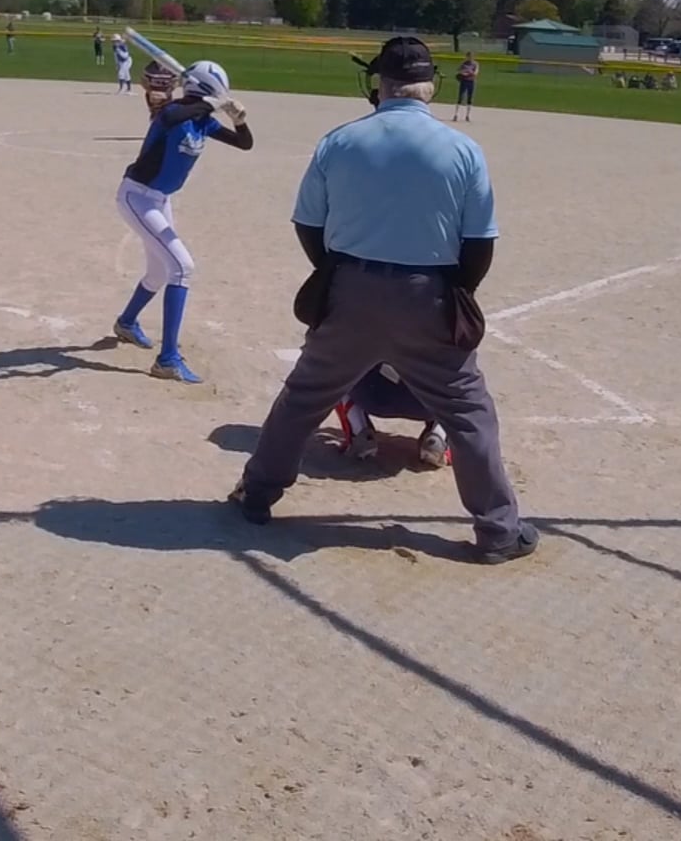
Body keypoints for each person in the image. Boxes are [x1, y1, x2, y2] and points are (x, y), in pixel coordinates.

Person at [228, 36, 536, 564]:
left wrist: (334, 272)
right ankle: (498, 532)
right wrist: (455, 293)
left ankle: (257, 494)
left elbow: (308, 224)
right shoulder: (463, 149)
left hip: (350, 288)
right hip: (429, 292)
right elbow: (479, 243)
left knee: (303, 397)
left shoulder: (339, 141)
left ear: (379, 84)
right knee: (468, 412)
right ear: (431, 85)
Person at [112, 60, 253, 383]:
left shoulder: (203, 121)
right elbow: (175, 116)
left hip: (160, 200)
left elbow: (244, 144)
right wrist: (212, 103)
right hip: (137, 197)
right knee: (182, 267)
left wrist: (239, 121)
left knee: (160, 271)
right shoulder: (171, 112)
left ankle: (127, 322)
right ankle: (167, 360)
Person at [335, 364, 451, 468]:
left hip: (372, 394)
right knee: (456, 368)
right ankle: (439, 433)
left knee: (335, 362)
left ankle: (358, 429)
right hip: (427, 399)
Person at [452, 52, 478, 122]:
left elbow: (475, 73)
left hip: (471, 82)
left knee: (469, 98)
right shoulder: (464, 63)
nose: (470, 58)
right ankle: (456, 115)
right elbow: (459, 70)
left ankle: (467, 115)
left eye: (471, 56)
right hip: (464, 81)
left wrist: (468, 73)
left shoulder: (475, 64)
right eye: (468, 56)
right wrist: (463, 73)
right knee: (460, 97)